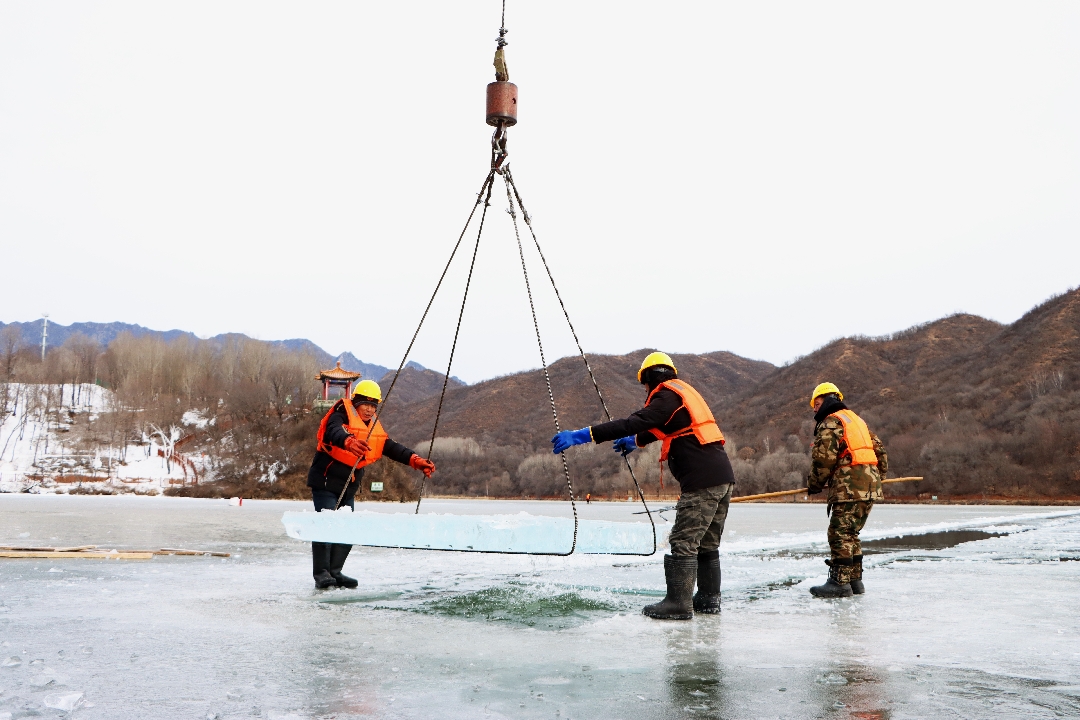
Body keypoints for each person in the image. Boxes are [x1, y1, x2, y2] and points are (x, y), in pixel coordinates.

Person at [551, 352, 735, 620]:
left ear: (650, 377)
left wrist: (583, 435)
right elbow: (662, 427)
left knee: (683, 541)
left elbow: (634, 422)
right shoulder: (681, 395)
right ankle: (708, 599)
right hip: (721, 478)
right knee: (706, 542)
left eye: (644, 384)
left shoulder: (666, 396)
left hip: (702, 483)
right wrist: (635, 442)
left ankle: (678, 603)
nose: (645, 390)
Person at [306, 379, 435, 589]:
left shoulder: (371, 424)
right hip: (326, 481)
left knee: (348, 528)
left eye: (373, 406)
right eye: (366, 404)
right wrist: (348, 441)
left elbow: (389, 446)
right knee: (326, 526)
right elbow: (333, 430)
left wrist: (414, 460)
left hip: (348, 486)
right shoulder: (340, 413)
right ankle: (322, 573)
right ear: (355, 402)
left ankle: (336, 571)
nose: (369, 409)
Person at [805, 382, 888, 598]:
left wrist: (814, 484)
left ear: (827, 400)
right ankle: (854, 581)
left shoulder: (831, 422)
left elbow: (824, 459)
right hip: (869, 487)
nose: (815, 408)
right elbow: (881, 452)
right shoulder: (858, 422)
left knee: (839, 533)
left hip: (848, 487)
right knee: (852, 533)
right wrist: (877, 479)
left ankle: (839, 583)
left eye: (817, 403)